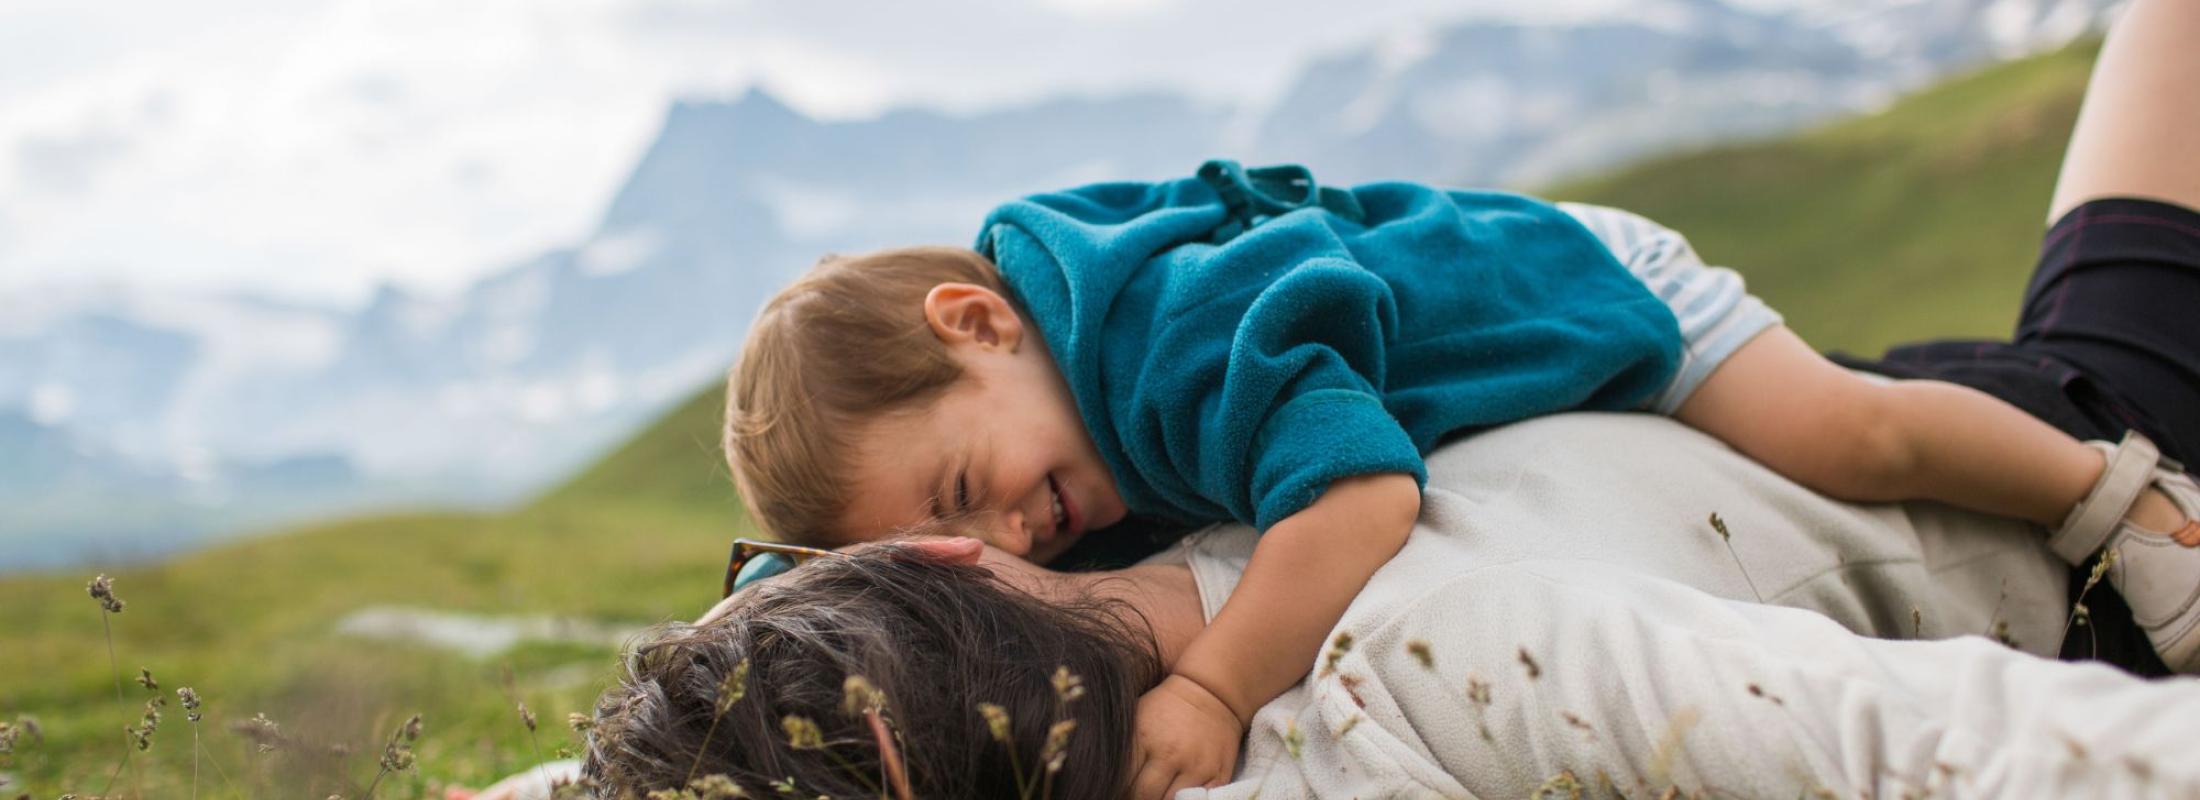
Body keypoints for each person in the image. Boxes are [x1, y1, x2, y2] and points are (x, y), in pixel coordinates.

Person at [721, 0, 2200, 793]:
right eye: (968, 544)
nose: (1022, 537)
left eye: (970, 493)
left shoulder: (1178, 349)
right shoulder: (1065, 424)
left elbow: (1364, 495)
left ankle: (2111, 498)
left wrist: (1218, 682)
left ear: (979, 322)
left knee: (1851, 431)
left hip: (1591, 295)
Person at [569, 412, 2200, 799]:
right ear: (943, 561)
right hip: (2078, 507)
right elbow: (1999, 749)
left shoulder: (1103, 538)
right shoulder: (1442, 657)